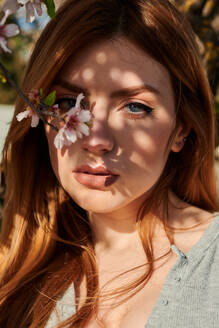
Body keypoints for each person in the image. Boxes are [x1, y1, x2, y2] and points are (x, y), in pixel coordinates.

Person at [0, 0, 218, 327]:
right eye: (66, 102)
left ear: (181, 128)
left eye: (134, 107)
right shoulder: (18, 277)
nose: (95, 138)